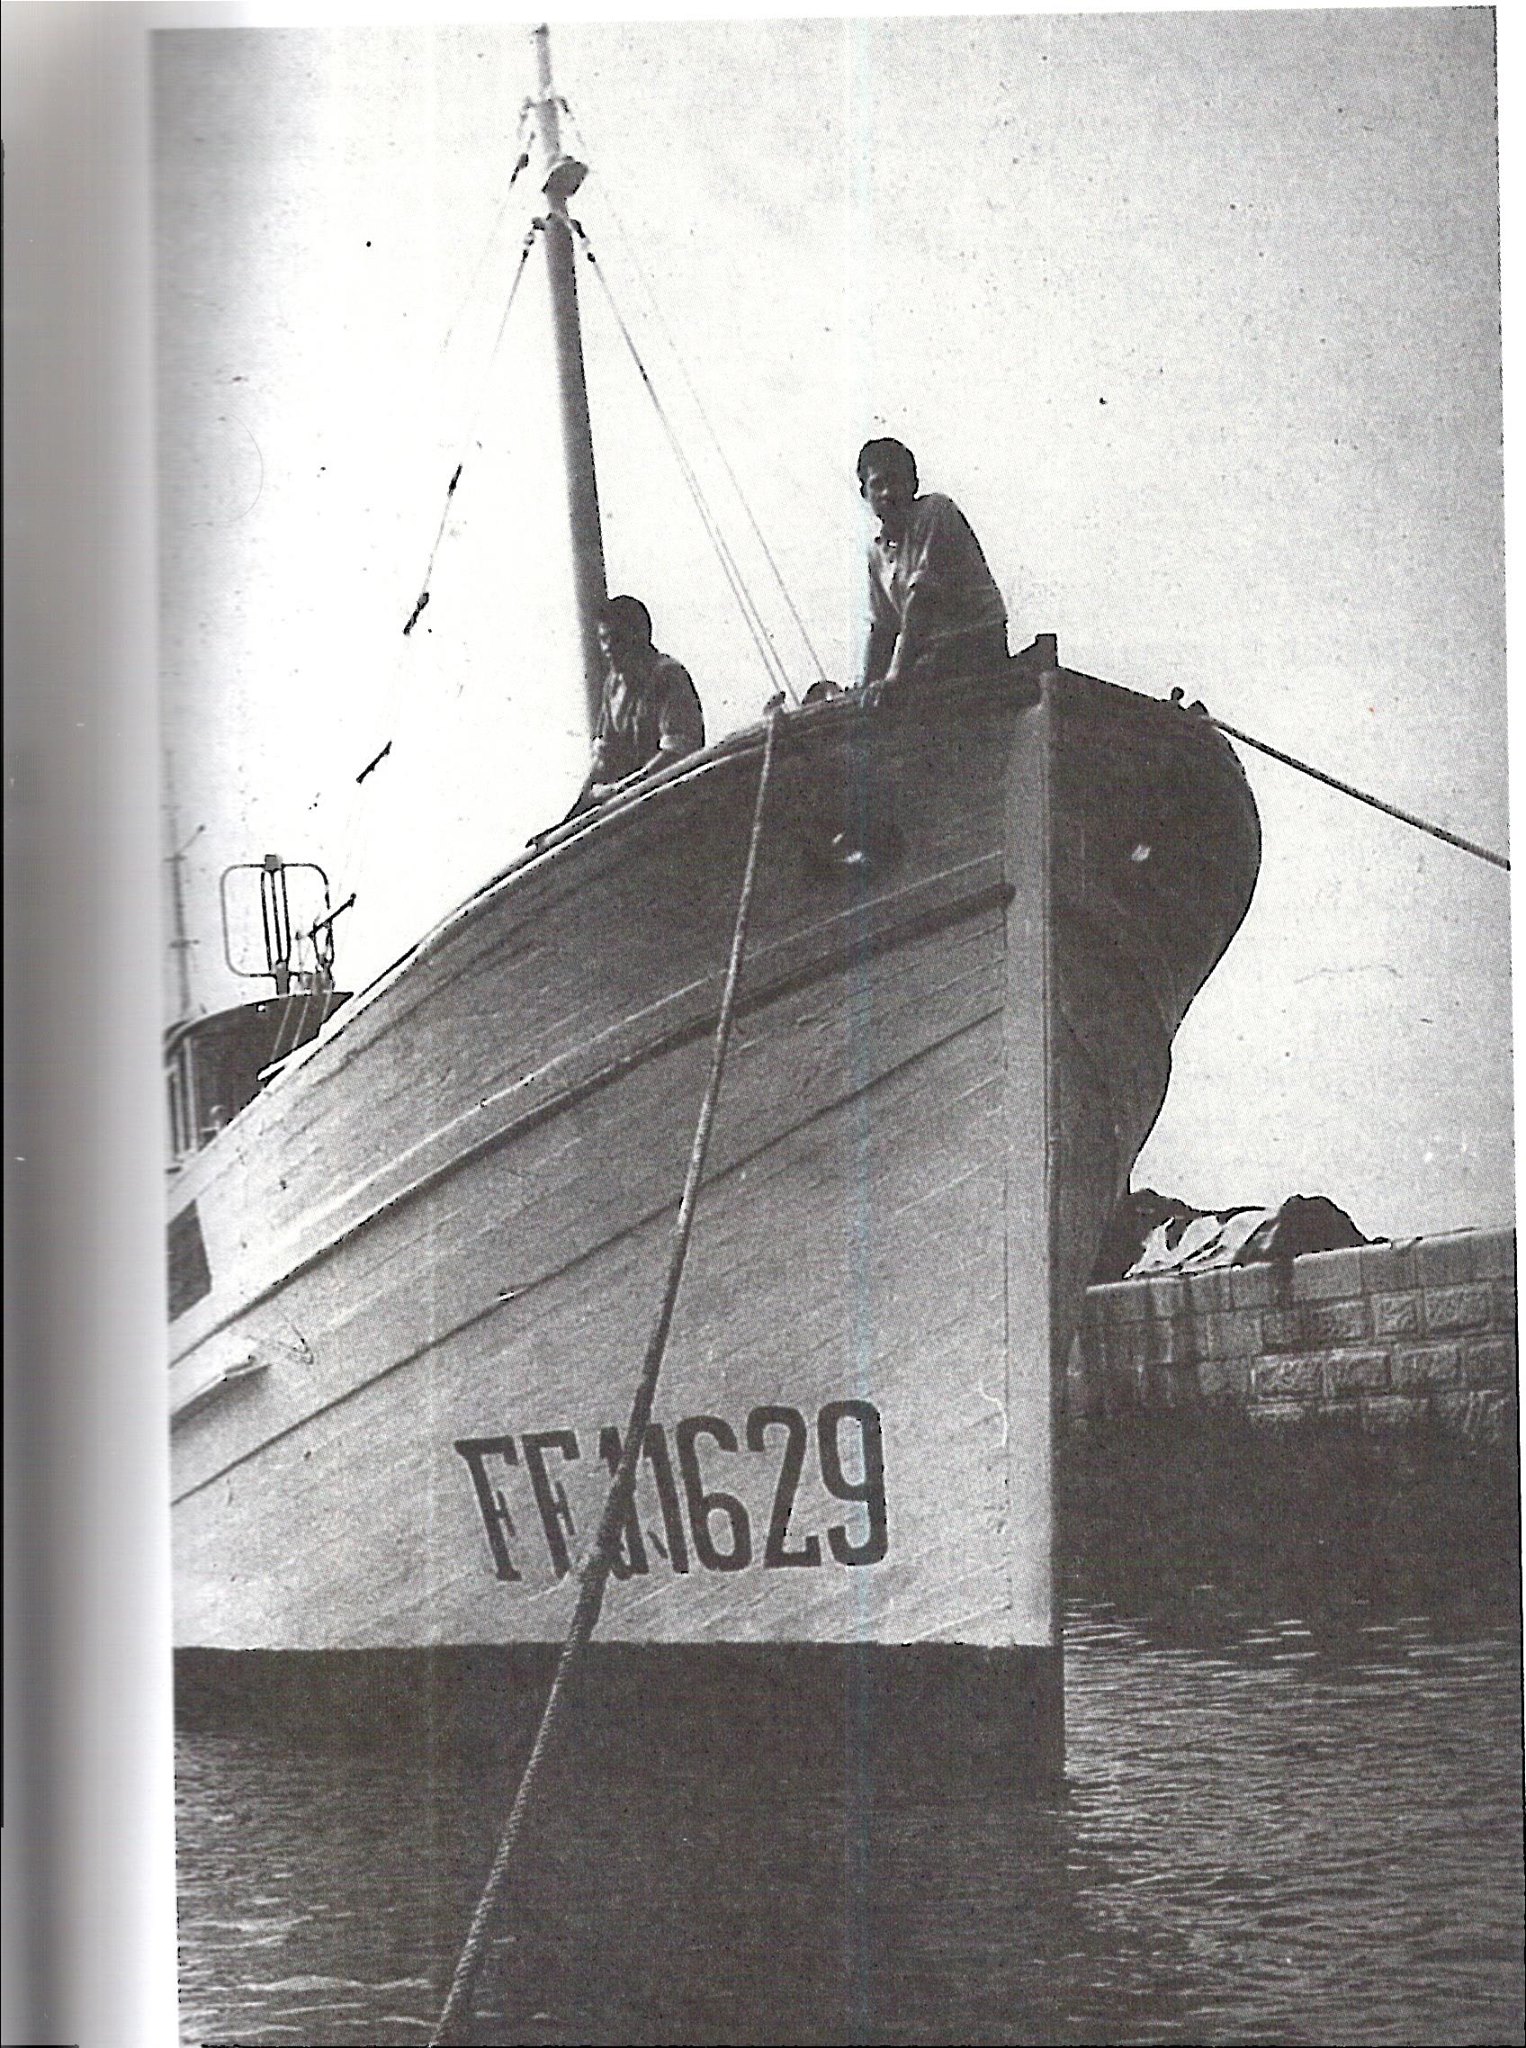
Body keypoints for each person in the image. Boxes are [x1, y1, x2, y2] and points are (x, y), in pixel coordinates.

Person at [856, 438, 1009, 699]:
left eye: (895, 481)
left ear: (913, 484)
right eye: (877, 485)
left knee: (907, 693)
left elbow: (922, 600)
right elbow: (882, 628)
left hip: (975, 641)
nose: (886, 493)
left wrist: (894, 677)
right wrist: (864, 689)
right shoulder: (876, 551)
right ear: (864, 493)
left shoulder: (934, 512)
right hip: (931, 652)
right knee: (874, 698)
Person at [571, 594, 706, 813]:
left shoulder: (668, 677)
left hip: (675, 801)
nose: (608, 648)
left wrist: (620, 790)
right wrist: (574, 813)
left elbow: (677, 753)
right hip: (634, 807)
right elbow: (603, 760)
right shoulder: (613, 686)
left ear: (640, 635)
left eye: (617, 639)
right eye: (604, 640)